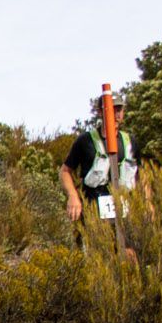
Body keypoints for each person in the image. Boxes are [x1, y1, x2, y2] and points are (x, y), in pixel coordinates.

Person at [59, 98, 138, 237]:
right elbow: (65, 171)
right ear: (101, 112)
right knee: (96, 253)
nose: (117, 114)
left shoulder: (129, 141)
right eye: (112, 109)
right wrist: (73, 196)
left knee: (130, 254)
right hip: (93, 209)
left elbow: (141, 176)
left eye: (119, 109)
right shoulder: (85, 140)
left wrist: (148, 204)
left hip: (126, 210)